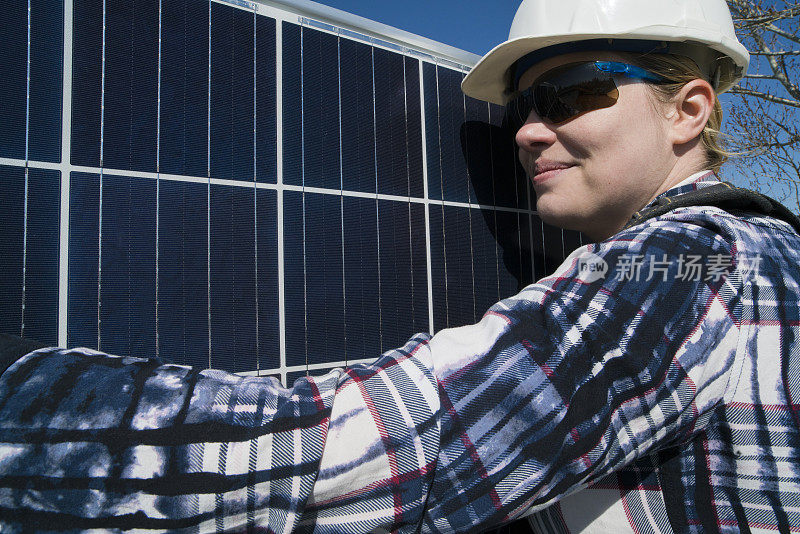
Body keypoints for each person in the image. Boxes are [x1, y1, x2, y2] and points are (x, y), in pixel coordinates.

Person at [2, 0, 799, 531]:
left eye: (567, 93)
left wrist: (32, 412)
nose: (526, 132)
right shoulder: (770, 254)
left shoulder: (691, 267)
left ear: (689, 109)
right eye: (524, 107)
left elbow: (384, 452)